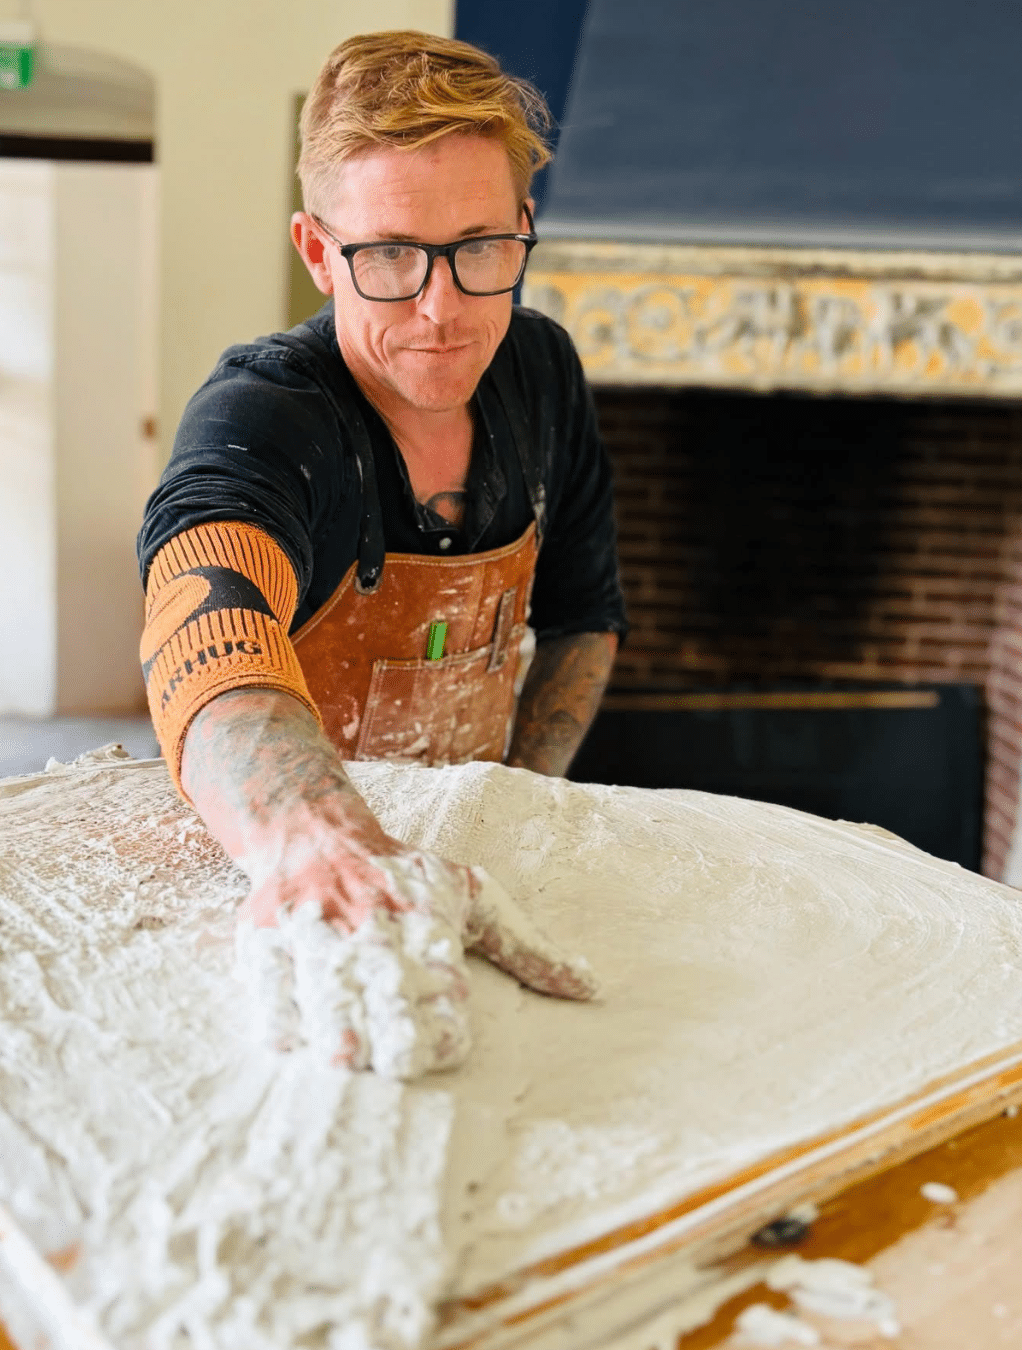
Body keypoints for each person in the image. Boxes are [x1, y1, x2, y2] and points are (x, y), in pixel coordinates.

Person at [136, 31, 627, 1067]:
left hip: (468, 867)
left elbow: (585, 615)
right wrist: (319, 847)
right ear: (318, 252)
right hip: (277, 876)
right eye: (392, 256)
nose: (443, 309)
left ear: (525, 228)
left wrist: (511, 813)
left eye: (481, 250)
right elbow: (203, 615)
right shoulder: (266, 414)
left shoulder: (539, 372)